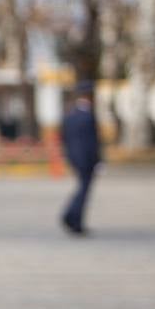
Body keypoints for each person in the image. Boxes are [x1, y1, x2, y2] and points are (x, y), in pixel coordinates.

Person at [61, 81, 102, 235]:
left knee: (81, 188)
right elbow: (93, 142)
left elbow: (65, 139)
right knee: (84, 190)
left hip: (74, 158)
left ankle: (71, 216)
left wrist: (70, 157)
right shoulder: (89, 116)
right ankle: (73, 219)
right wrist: (98, 160)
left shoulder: (70, 114)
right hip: (87, 159)